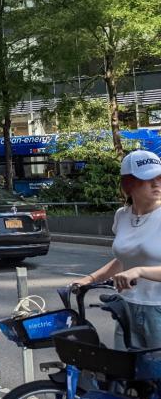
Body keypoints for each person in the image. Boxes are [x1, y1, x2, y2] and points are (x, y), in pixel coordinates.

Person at [74, 149, 161, 349]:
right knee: (125, 375)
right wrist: (90, 279)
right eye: (148, 178)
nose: (156, 183)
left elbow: (135, 267)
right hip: (126, 308)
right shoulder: (122, 216)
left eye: (159, 177)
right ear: (129, 184)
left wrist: (139, 271)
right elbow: (124, 259)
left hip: (158, 309)